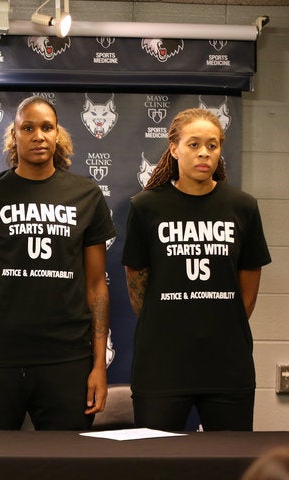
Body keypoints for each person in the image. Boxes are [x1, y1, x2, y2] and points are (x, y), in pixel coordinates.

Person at [0, 96, 115, 430]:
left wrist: (99, 366)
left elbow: (97, 286)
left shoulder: (86, 195)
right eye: (28, 128)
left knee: (65, 464)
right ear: (14, 136)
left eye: (46, 127)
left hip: (66, 358)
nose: (38, 135)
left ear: (57, 135)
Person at [122, 108, 271, 431]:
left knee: (230, 464)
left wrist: (220, 325)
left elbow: (248, 284)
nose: (204, 152)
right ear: (173, 148)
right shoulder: (145, 206)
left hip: (227, 364)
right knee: (155, 463)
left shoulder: (243, 206)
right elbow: (137, 285)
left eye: (213, 145)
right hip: (162, 363)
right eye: (193, 144)